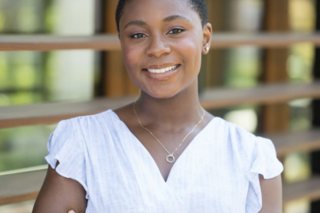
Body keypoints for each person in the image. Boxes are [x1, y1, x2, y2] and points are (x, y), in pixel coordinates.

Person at [32, 0, 283, 212]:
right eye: (138, 35)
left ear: (205, 38)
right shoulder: (83, 142)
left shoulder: (253, 159)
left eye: (175, 30)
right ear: (122, 44)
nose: (157, 49)